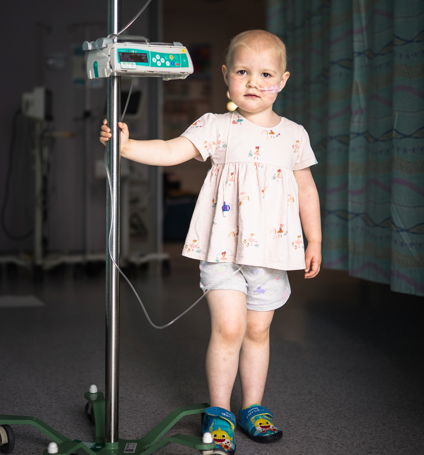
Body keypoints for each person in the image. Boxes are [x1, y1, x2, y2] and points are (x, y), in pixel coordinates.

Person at [100, 29, 321, 455]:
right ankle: (219, 409)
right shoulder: (216, 126)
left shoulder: (294, 135)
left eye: (265, 74)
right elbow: (169, 150)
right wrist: (127, 147)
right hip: (223, 250)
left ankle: (252, 406)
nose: (254, 82)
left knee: (258, 329)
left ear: (284, 80)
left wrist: (314, 239)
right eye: (243, 72)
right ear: (226, 76)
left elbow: (307, 190)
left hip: (271, 254)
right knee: (230, 327)